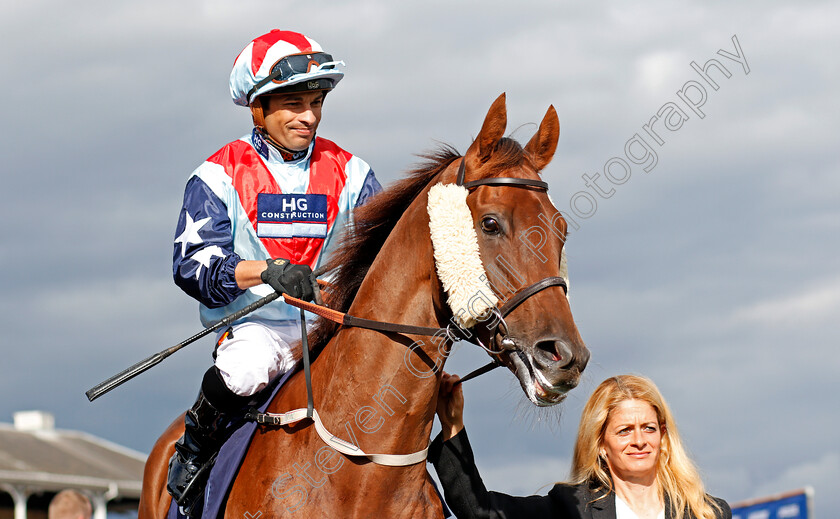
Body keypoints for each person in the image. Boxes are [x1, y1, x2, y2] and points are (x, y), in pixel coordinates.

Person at [168, 29, 381, 515]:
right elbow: (190, 266)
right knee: (242, 373)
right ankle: (196, 448)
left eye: (315, 102)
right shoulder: (216, 175)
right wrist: (266, 272)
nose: (309, 116)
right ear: (257, 108)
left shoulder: (353, 172)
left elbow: (380, 253)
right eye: (293, 104)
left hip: (331, 325)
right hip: (257, 327)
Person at [431, 373, 732, 519]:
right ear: (601, 444)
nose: (639, 440)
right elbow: (482, 513)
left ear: (663, 436)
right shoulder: (571, 508)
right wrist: (453, 426)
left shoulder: (709, 512)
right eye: (625, 431)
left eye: (648, 428)